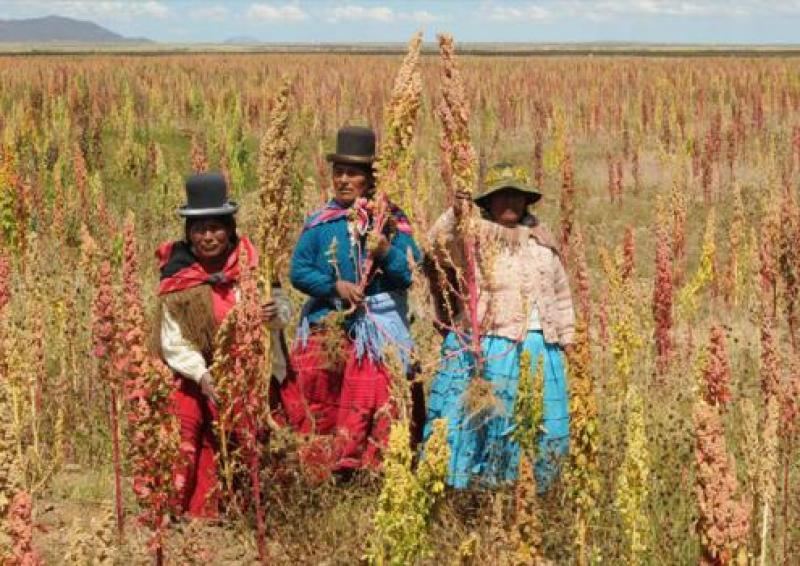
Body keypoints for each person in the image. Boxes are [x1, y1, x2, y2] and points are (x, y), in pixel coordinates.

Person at [280, 126, 422, 475]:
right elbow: (298, 271)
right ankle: (320, 467)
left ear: (369, 179)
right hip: (329, 322)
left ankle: (370, 470)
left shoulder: (391, 220)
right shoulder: (320, 223)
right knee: (315, 391)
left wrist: (386, 251)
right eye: (338, 172)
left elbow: (408, 272)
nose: (343, 180)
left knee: (378, 396)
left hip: (376, 327)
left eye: (352, 174)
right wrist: (335, 287)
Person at [423, 162, 575, 490]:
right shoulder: (471, 235)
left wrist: (568, 337)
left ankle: (530, 490)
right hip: (490, 347)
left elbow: (561, 292)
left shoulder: (541, 239)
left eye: (516, 196)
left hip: (539, 348)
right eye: (501, 196)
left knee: (535, 425)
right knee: (483, 423)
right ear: (487, 202)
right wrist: (453, 213)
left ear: (527, 201)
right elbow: (435, 246)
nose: (509, 203)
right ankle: (475, 494)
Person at [154, 172, 291, 518]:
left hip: (246, 370)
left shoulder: (253, 266)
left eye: (216, 227)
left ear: (230, 229)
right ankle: (180, 507)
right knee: (184, 421)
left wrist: (274, 313)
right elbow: (173, 343)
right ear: (189, 233)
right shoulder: (179, 274)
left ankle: (252, 508)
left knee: (251, 430)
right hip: (195, 374)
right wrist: (203, 376)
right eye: (199, 229)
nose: (208, 237)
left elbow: (281, 317)